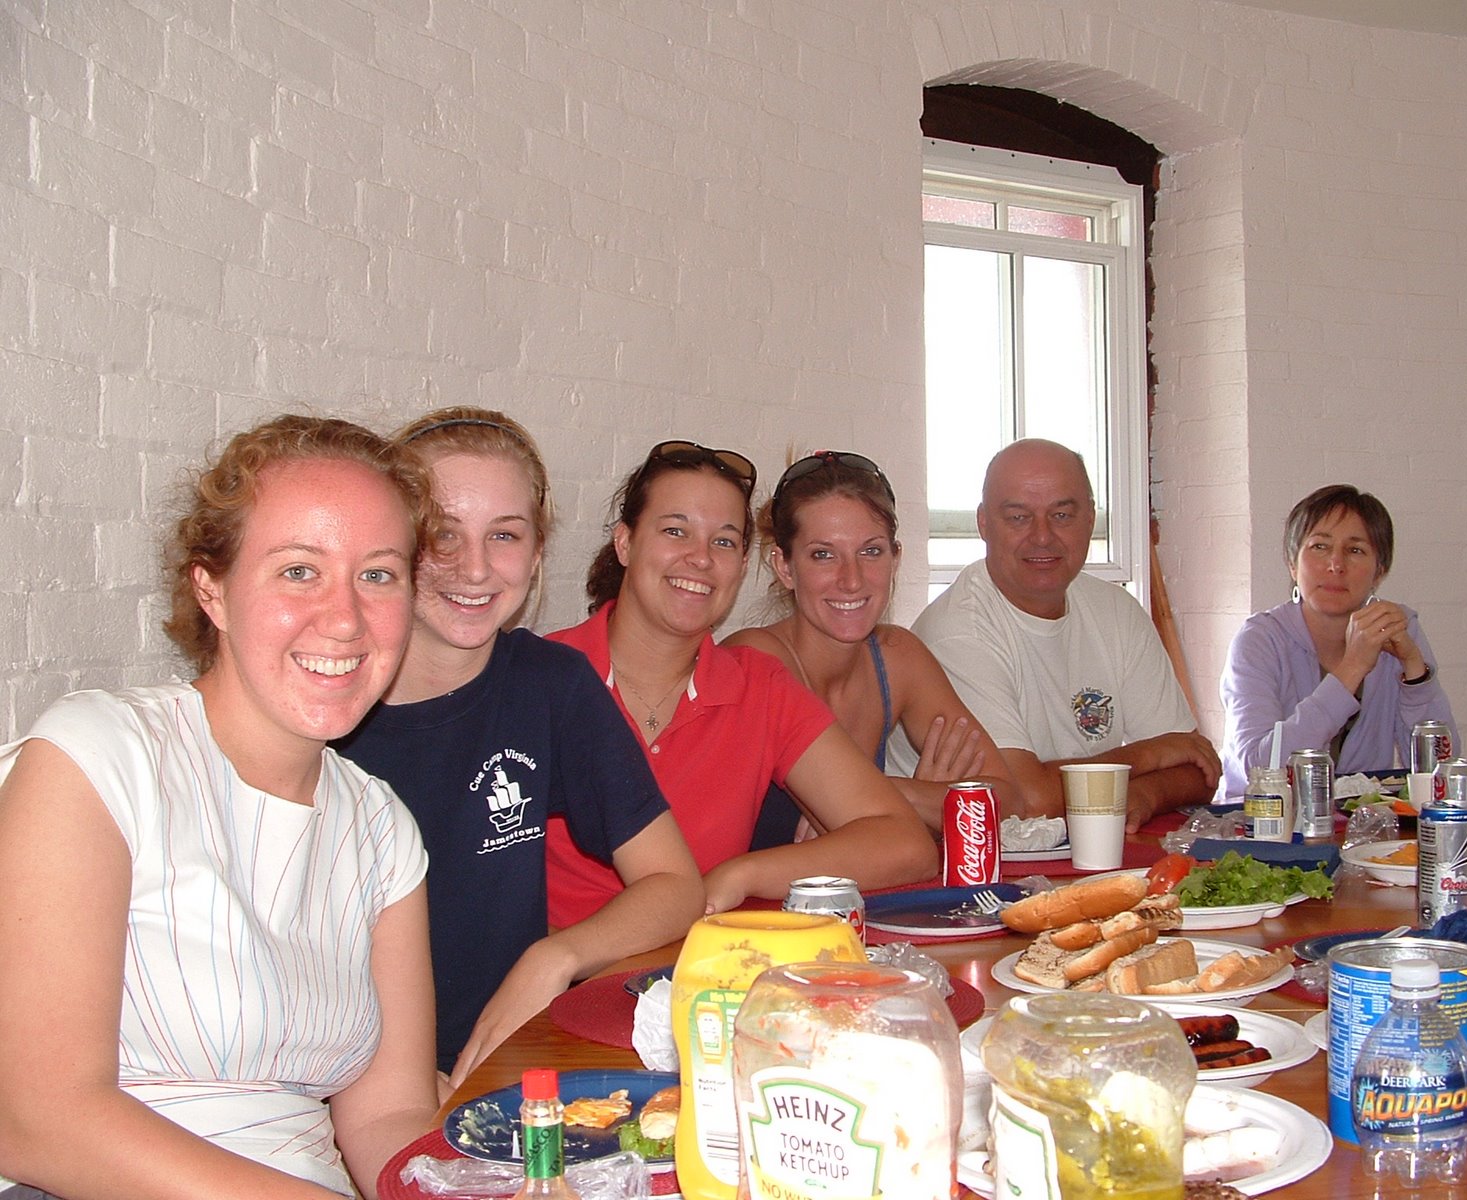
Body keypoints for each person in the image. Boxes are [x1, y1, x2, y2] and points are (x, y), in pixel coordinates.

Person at [0, 416, 440, 1199]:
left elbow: (389, 1114)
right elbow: (40, 1119)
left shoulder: (381, 829)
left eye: (379, 575)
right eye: (299, 571)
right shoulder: (98, 757)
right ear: (214, 591)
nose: (344, 619)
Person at [336, 408, 703, 1093]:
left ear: (536, 556)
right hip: (354, 1082)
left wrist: (554, 957)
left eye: (503, 535)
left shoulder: (550, 685)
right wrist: (396, 1086)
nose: (474, 568)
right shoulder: (328, 704)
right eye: (443, 534)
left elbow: (676, 883)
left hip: (502, 1067)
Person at [544, 440, 939, 921]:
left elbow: (904, 844)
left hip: (702, 980)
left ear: (744, 564)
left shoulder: (757, 686)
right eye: (675, 531)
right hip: (564, 981)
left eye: (724, 541)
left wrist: (739, 875)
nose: (701, 558)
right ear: (625, 543)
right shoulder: (544, 675)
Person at [903, 438, 1219, 830]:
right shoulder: (959, 633)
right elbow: (1028, 800)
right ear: (984, 523)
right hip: (972, 864)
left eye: (1062, 515)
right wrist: (1150, 756)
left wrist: (1143, 796)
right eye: (1018, 517)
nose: (1041, 536)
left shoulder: (1116, 610)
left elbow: (1198, 768)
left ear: (1090, 518)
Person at [724, 449, 1022, 839]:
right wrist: (926, 807)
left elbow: (1009, 802)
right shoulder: (755, 661)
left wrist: (897, 799)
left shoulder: (897, 657)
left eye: (871, 551)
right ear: (785, 567)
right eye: (823, 555)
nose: (852, 579)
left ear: (896, 559)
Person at [1217, 483, 1457, 798]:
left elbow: (1444, 771)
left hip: (1361, 825)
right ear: (1293, 563)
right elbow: (1259, 770)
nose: (1336, 565)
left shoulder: (1397, 628)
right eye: (1319, 547)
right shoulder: (1259, 640)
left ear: (1379, 572)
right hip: (1259, 824)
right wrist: (1352, 669)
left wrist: (1414, 670)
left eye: (1355, 550)